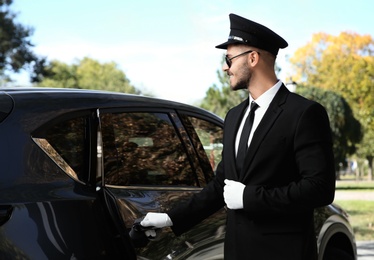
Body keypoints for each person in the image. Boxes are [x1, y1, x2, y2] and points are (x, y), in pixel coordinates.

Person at [140, 13, 336, 260]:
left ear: (253, 58)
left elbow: (319, 189)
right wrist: (170, 218)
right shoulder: (234, 116)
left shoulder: (304, 113)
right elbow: (221, 185)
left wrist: (250, 197)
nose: (225, 67)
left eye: (229, 59)